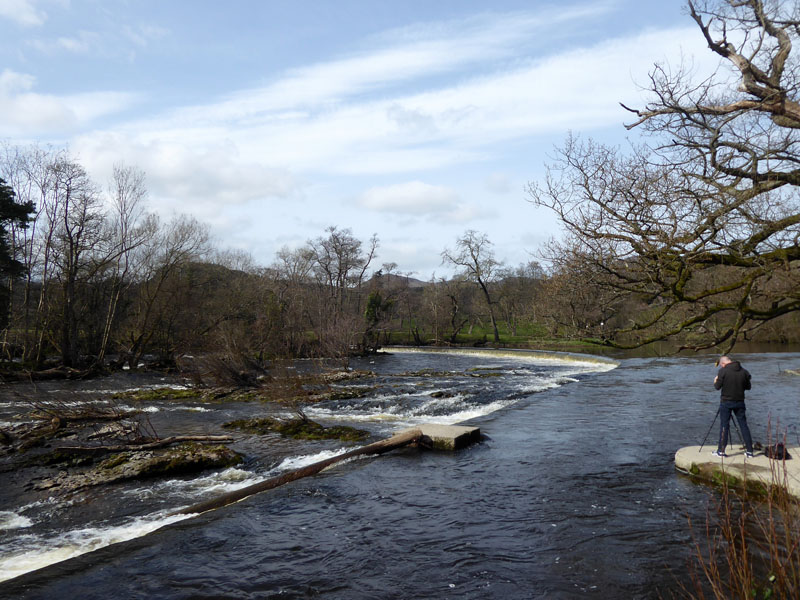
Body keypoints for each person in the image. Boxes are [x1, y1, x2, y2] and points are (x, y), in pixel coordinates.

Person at [712, 355, 754, 458]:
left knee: (724, 426)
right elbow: (748, 387)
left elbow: (717, 387)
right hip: (740, 402)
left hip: (726, 402)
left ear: (723, 363)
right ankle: (749, 451)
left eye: (721, 365)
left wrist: (715, 380)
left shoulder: (723, 371)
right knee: (743, 425)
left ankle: (721, 451)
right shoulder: (744, 371)